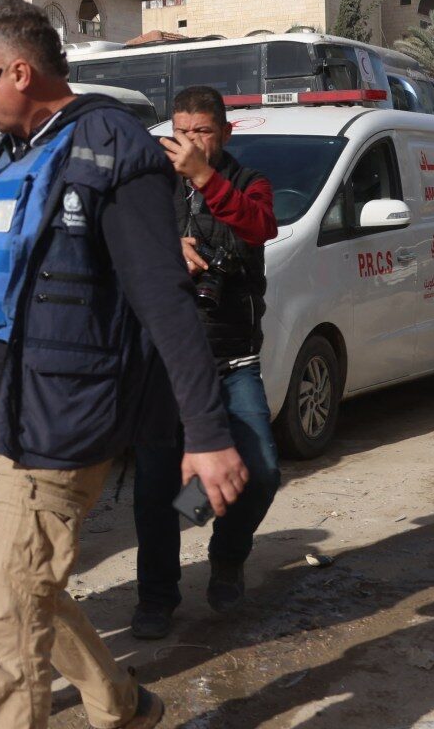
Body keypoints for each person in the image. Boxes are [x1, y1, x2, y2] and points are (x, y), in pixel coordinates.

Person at [0, 0, 248, 729]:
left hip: (57, 416)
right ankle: (121, 704)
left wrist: (207, 429)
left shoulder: (110, 150)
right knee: (23, 588)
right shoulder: (2, 154)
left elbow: (165, 298)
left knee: (5, 618)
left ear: (20, 71)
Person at [129, 86, 282, 641]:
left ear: (225, 133)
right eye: (183, 131)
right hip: (165, 362)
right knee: (153, 489)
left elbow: (259, 227)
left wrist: (204, 178)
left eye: (203, 133)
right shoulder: (153, 187)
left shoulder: (248, 183)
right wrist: (173, 249)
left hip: (231, 358)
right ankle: (156, 598)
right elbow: (127, 246)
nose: (191, 143)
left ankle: (226, 553)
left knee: (260, 470)